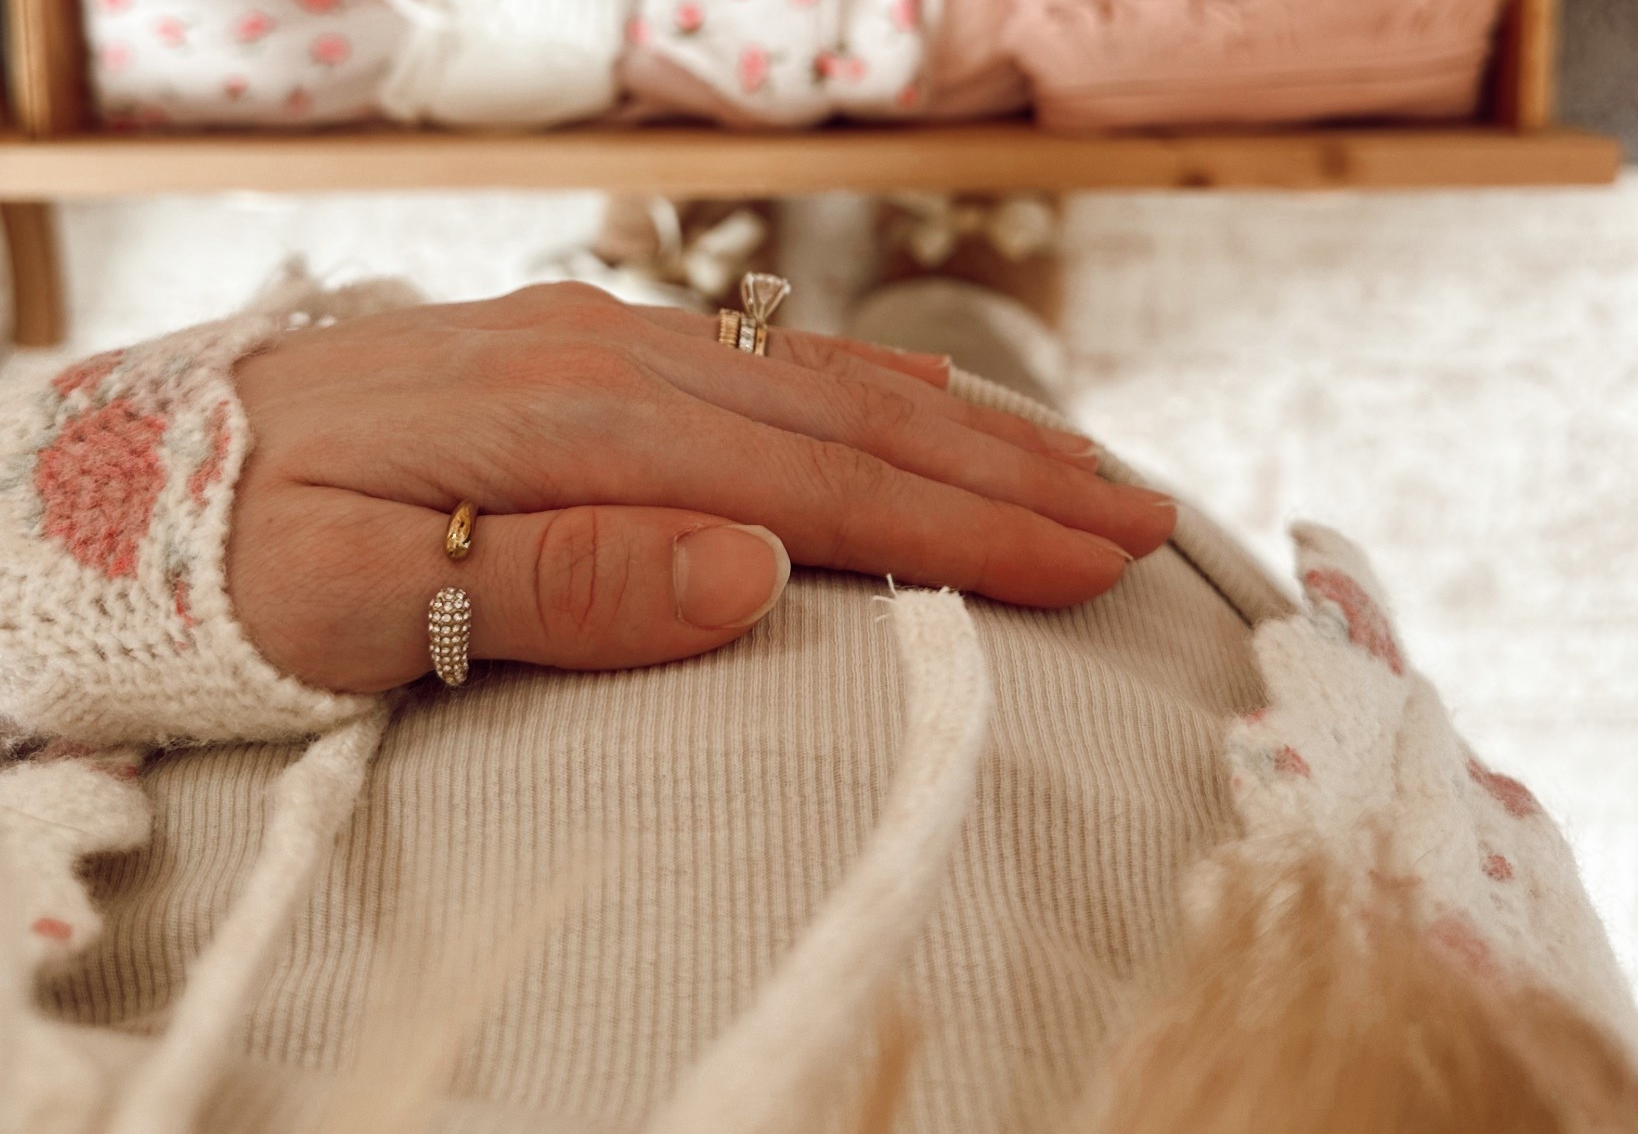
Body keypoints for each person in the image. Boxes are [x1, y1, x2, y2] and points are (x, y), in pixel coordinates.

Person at [2, 264, 1634, 1134]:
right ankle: (927, 299)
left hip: (269, 627)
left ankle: (838, 294)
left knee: (831, 369)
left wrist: (51, 532)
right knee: (931, 366)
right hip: (1203, 714)